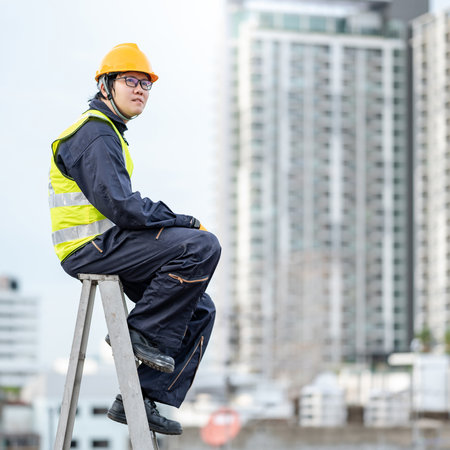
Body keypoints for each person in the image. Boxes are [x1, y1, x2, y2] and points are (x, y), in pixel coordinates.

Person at [48, 43, 221, 435]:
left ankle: (137, 397)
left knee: (200, 308)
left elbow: (122, 211)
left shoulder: (109, 133)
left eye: (146, 84)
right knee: (202, 246)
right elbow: (123, 208)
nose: (141, 89)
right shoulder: (94, 133)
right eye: (131, 80)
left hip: (110, 248)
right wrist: (185, 221)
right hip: (90, 250)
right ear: (105, 85)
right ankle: (140, 331)